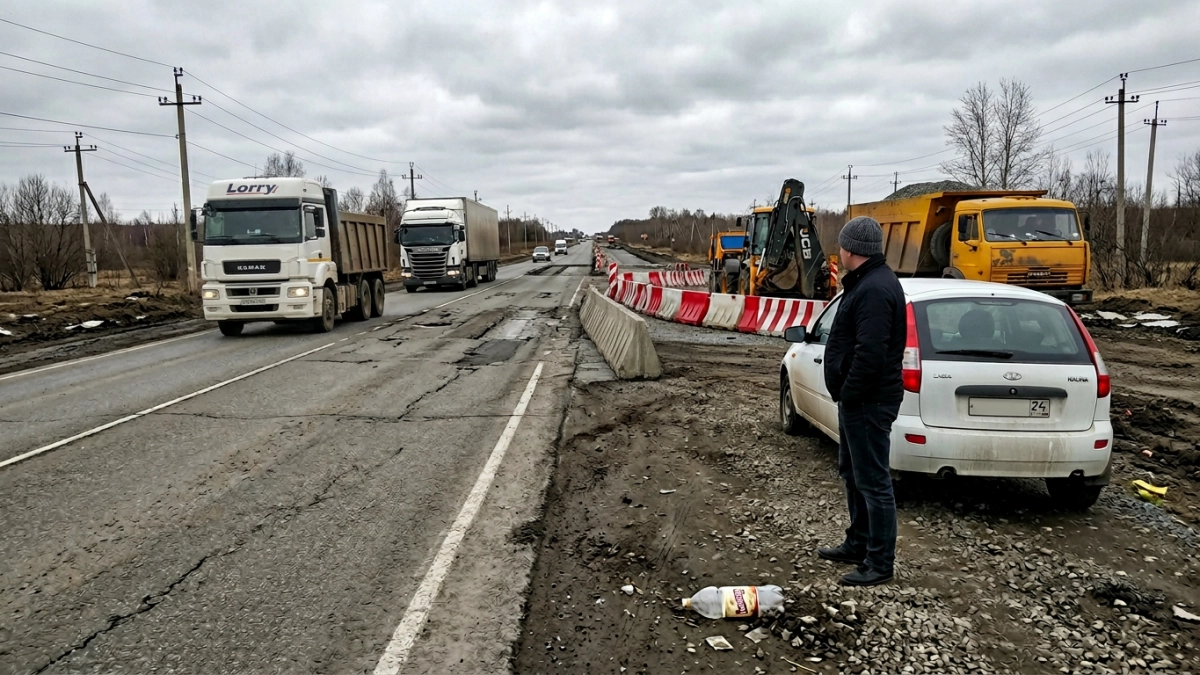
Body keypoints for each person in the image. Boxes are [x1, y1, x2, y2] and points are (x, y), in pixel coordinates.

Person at [818, 216, 906, 587]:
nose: (838, 249)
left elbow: (870, 352)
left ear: (851, 249)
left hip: (868, 401)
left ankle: (879, 562)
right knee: (854, 475)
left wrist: (849, 392)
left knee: (873, 481)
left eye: (841, 244)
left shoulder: (874, 288)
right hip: (859, 401)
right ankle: (859, 543)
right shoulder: (867, 282)